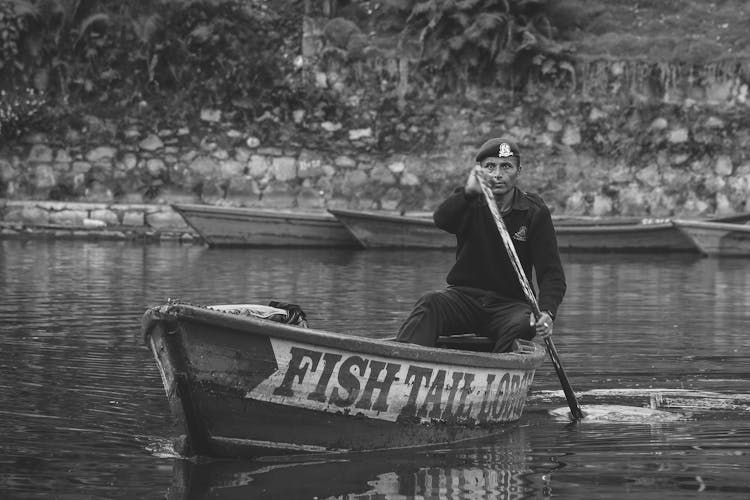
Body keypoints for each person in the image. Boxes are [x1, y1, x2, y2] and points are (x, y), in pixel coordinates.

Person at [395, 138, 566, 352]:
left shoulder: (533, 211)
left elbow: (552, 273)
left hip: (511, 306)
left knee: (526, 323)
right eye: (490, 167)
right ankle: (403, 361)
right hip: (465, 299)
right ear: (480, 171)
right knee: (430, 303)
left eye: (506, 166)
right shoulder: (469, 200)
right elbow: (442, 220)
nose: (497, 174)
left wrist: (547, 312)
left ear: (518, 171)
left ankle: (495, 373)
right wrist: (468, 192)